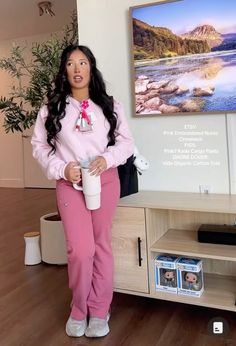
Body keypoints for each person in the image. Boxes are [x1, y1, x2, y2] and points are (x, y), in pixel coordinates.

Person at [31, 44, 134, 338]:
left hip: (104, 180)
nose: (77, 69)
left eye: (83, 62)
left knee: (101, 245)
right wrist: (62, 169)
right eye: (71, 64)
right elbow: (39, 147)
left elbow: (126, 143)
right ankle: (79, 309)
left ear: (91, 68)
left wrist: (107, 159)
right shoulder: (51, 109)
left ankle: (100, 310)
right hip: (69, 184)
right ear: (64, 70)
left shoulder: (110, 105)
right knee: (80, 250)